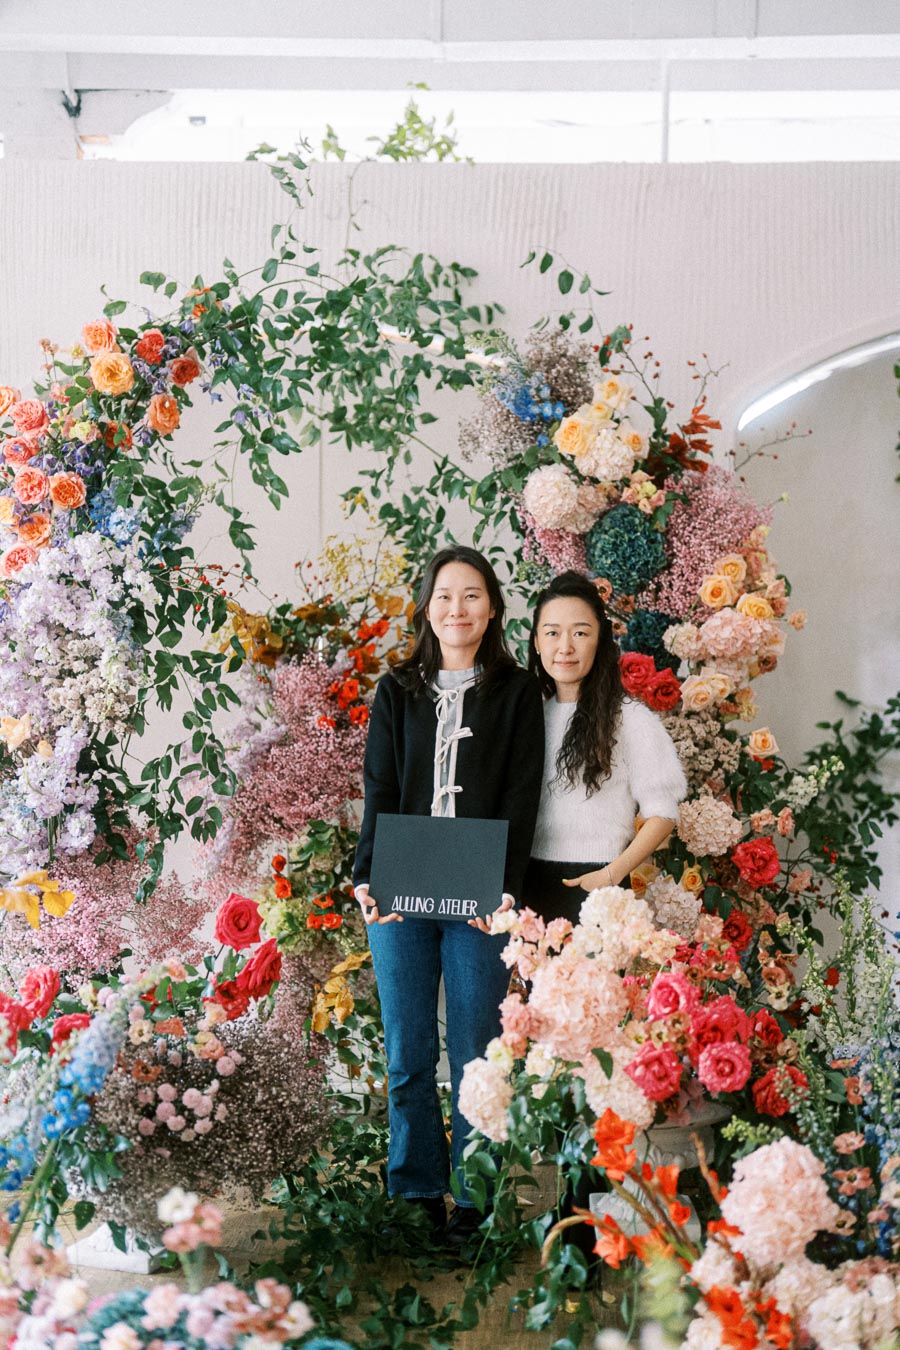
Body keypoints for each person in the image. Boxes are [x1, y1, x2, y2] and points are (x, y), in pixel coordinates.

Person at [352, 545, 544, 1248]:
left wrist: (506, 891)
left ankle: (474, 1195)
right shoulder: (396, 689)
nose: (457, 608)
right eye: (444, 596)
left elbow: (522, 796)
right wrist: (366, 877)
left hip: (480, 895)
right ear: (426, 608)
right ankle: (414, 1191)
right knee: (407, 1052)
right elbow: (378, 787)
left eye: (471, 596)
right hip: (399, 890)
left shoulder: (518, 692)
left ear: (492, 608)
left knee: (475, 1050)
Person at [522, 569, 687, 923]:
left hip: (599, 887)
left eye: (580, 633)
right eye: (552, 633)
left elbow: (663, 813)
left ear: (600, 640)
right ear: (536, 642)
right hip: (530, 886)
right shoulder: (530, 716)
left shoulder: (630, 719)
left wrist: (612, 874)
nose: (565, 647)